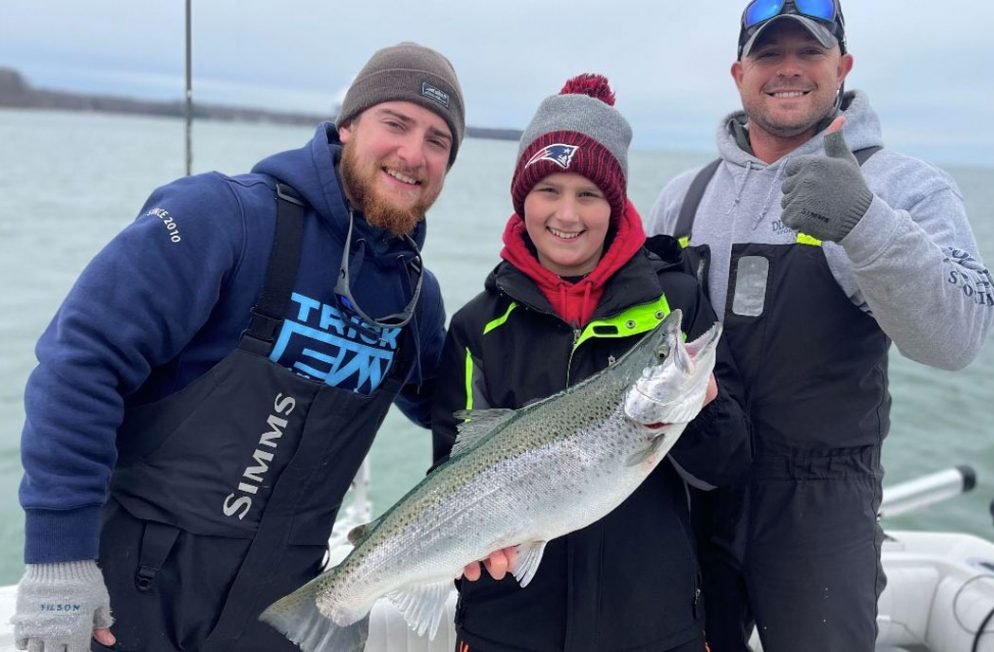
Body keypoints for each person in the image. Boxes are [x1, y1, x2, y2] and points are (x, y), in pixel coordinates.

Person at [13, 42, 464, 652]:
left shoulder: (415, 301)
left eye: (438, 140)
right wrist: (58, 556)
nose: (413, 154)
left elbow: (462, 417)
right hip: (128, 602)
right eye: (397, 123)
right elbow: (81, 365)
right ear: (348, 125)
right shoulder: (223, 218)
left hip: (282, 616)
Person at [647, 1, 994, 650]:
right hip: (696, 490)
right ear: (738, 74)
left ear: (843, 66)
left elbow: (959, 338)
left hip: (823, 505)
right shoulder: (683, 198)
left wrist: (864, 222)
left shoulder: (904, 186)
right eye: (768, 54)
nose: (789, 68)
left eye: (809, 51)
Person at [431, 74, 751, 652]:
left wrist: (701, 408)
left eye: (588, 194)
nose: (567, 213)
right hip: (508, 629)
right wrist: (468, 556)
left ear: (615, 204)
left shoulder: (675, 303)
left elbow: (726, 470)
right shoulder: (478, 327)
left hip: (653, 628)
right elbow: (451, 472)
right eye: (548, 189)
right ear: (522, 199)